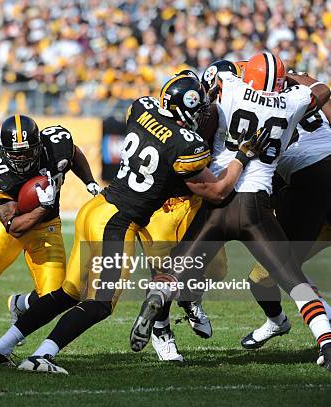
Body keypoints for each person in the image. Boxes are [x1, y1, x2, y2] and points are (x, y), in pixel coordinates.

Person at [0, 74, 268, 374]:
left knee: (69, 293)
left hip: (95, 208)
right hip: (117, 222)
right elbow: (218, 190)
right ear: (189, 109)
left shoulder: (142, 108)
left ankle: (1, 348)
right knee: (101, 304)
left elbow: (148, 126)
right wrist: (242, 157)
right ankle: (43, 356)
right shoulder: (186, 144)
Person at [131, 52, 331, 371]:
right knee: (293, 279)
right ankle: (326, 341)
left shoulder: (231, 88)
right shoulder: (290, 102)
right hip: (255, 208)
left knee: (178, 265)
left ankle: (159, 299)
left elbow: (203, 91)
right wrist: (294, 80)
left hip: (220, 204)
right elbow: (320, 90)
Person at [0, 115, 101, 354]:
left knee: (54, 297)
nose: (22, 158)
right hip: (13, 231)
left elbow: (73, 154)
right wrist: (41, 207)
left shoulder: (56, 144)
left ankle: (20, 304)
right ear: (4, 151)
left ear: (39, 145)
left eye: (27, 152)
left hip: (47, 228)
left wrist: (89, 181)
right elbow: (13, 226)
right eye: (16, 154)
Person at [242, 76, 331, 352]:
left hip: (313, 185)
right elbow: (322, 91)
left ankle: (320, 328)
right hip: (315, 191)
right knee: (269, 274)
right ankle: (278, 322)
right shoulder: (302, 92)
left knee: (272, 274)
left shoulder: (255, 107)